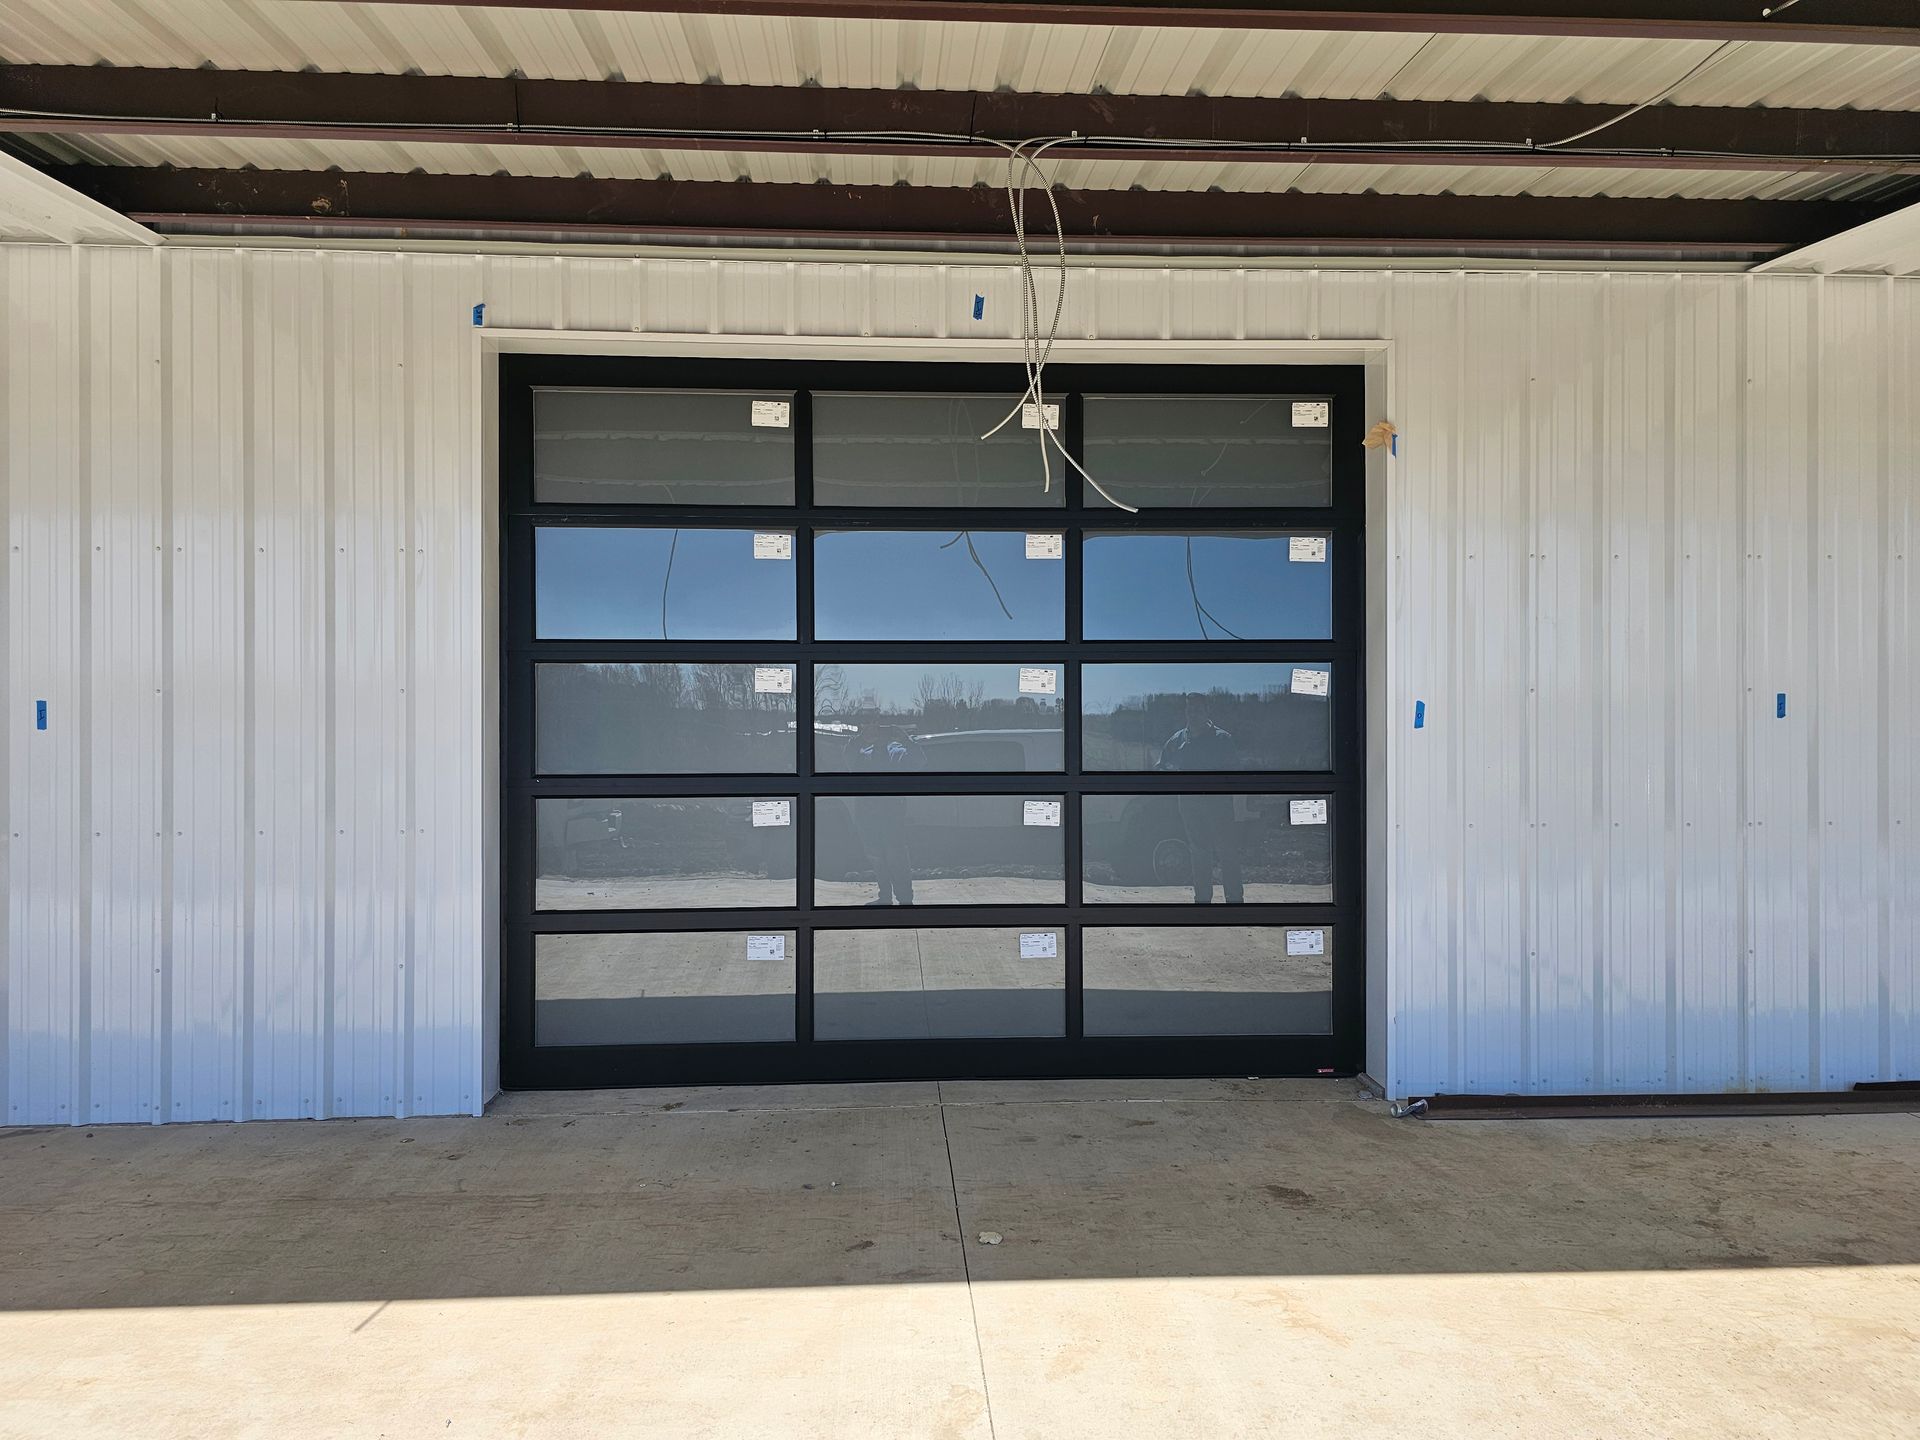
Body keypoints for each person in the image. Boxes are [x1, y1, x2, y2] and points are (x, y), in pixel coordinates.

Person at [1158, 695, 1244, 904]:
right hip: (1189, 804)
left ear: (1207, 712)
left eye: (1197, 710)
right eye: (1190, 710)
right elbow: (1161, 766)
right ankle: (1202, 901)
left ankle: (1235, 901)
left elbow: (1235, 771)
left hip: (1218, 804)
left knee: (1227, 851)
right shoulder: (1177, 740)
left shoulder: (1222, 739)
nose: (1193, 714)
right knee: (1198, 851)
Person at [853, 718, 924, 905]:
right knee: (877, 856)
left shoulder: (897, 753)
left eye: (884, 730)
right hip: (869, 815)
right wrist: (862, 737)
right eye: (878, 730)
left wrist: (905, 739)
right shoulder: (864, 754)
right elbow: (848, 760)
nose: (881, 734)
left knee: (897, 857)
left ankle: (905, 899)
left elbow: (919, 761)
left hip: (892, 816)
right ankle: (885, 896)